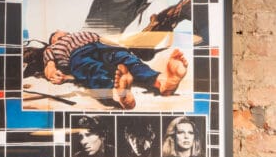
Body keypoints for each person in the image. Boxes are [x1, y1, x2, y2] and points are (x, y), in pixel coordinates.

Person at [43, 30, 188, 110]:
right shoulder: (53, 48)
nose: (61, 34)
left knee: (126, 58)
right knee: (91, 69)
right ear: (53, 41)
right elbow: (49, 65)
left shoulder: (82, 33)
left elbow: (108, 41)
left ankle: (162, 82)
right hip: (77, 55)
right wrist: (52, 73)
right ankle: (118, 95)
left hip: (102, 46)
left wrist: (122, 47)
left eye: (63, 32)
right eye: (56, 35)